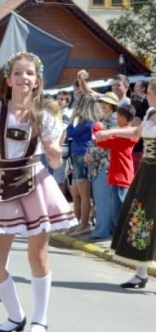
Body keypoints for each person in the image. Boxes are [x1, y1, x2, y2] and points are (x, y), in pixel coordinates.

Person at [0, 52, 77, 332]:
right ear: (8, 80)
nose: (24, 78)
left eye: (30, 74)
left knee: (37, 255)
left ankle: (40, 320)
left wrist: (54, 155)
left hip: (34, 181)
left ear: (37, 81)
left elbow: (57, 162)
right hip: (1, 184)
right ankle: (15, 315)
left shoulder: (46, 116)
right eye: (18, 73)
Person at [93, 78, 156, 289]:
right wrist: (109, 131)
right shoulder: (149, 115)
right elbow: (136, 133)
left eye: (149, 93)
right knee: (139, 220)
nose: (147, 96)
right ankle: (140, 273)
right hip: (146, 174)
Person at [92, 103, 137, 242]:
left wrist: (97, 127)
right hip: (120, 177)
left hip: (120, 178)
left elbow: (99, 142)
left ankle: (122, 242)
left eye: (117, 116)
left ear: (123, 118)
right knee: (118, 213)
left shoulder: (124, 136)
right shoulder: (125, 134)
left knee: (119, 214)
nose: (116, 118)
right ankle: (119, 242)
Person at [84, 92, 119, 240]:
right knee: (100, 199)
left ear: (112, 106)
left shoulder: (113, 121)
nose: (102, 105)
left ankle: (103, 231)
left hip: (105, 164)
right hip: (99, 165)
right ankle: (103, 229)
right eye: (101, 102)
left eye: (105, 103)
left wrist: (92, 155)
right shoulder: (104, 120)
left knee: (103, 199)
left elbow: (109, 143)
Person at [66, 93, 99, 236]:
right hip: (77, 156)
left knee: (83, 194)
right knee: (76, 193)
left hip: (82, 156)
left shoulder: (88, 123)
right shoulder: (86, 122)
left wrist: (71, 119)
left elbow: (70, 133)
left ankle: (84, 224)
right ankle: (78, 223)